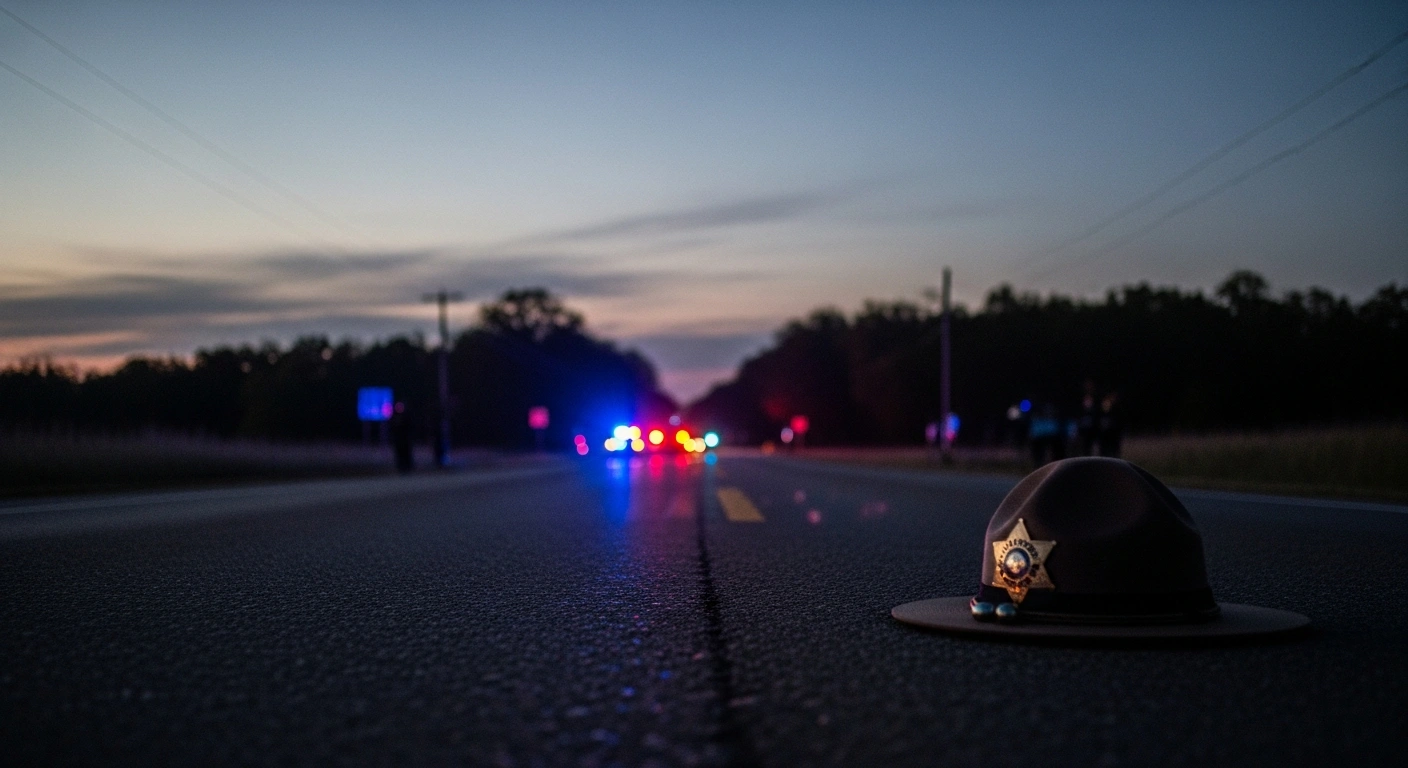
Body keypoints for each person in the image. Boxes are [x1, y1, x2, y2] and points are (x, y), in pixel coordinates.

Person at [391, 402, 414, 473]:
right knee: (399, 454)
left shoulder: (406, 416)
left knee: (406, 454)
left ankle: (408, 467)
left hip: (406, 440)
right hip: (398, 440)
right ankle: (400, 467)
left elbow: (410, 427)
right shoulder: (394, 417)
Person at [1097, 392, 1123, 458]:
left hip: (1113, 436)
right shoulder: (1101, 411)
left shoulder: (1116, 410)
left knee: (1114, 453)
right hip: (1104, 437)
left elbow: (1118, 424)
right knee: (1104, 453)